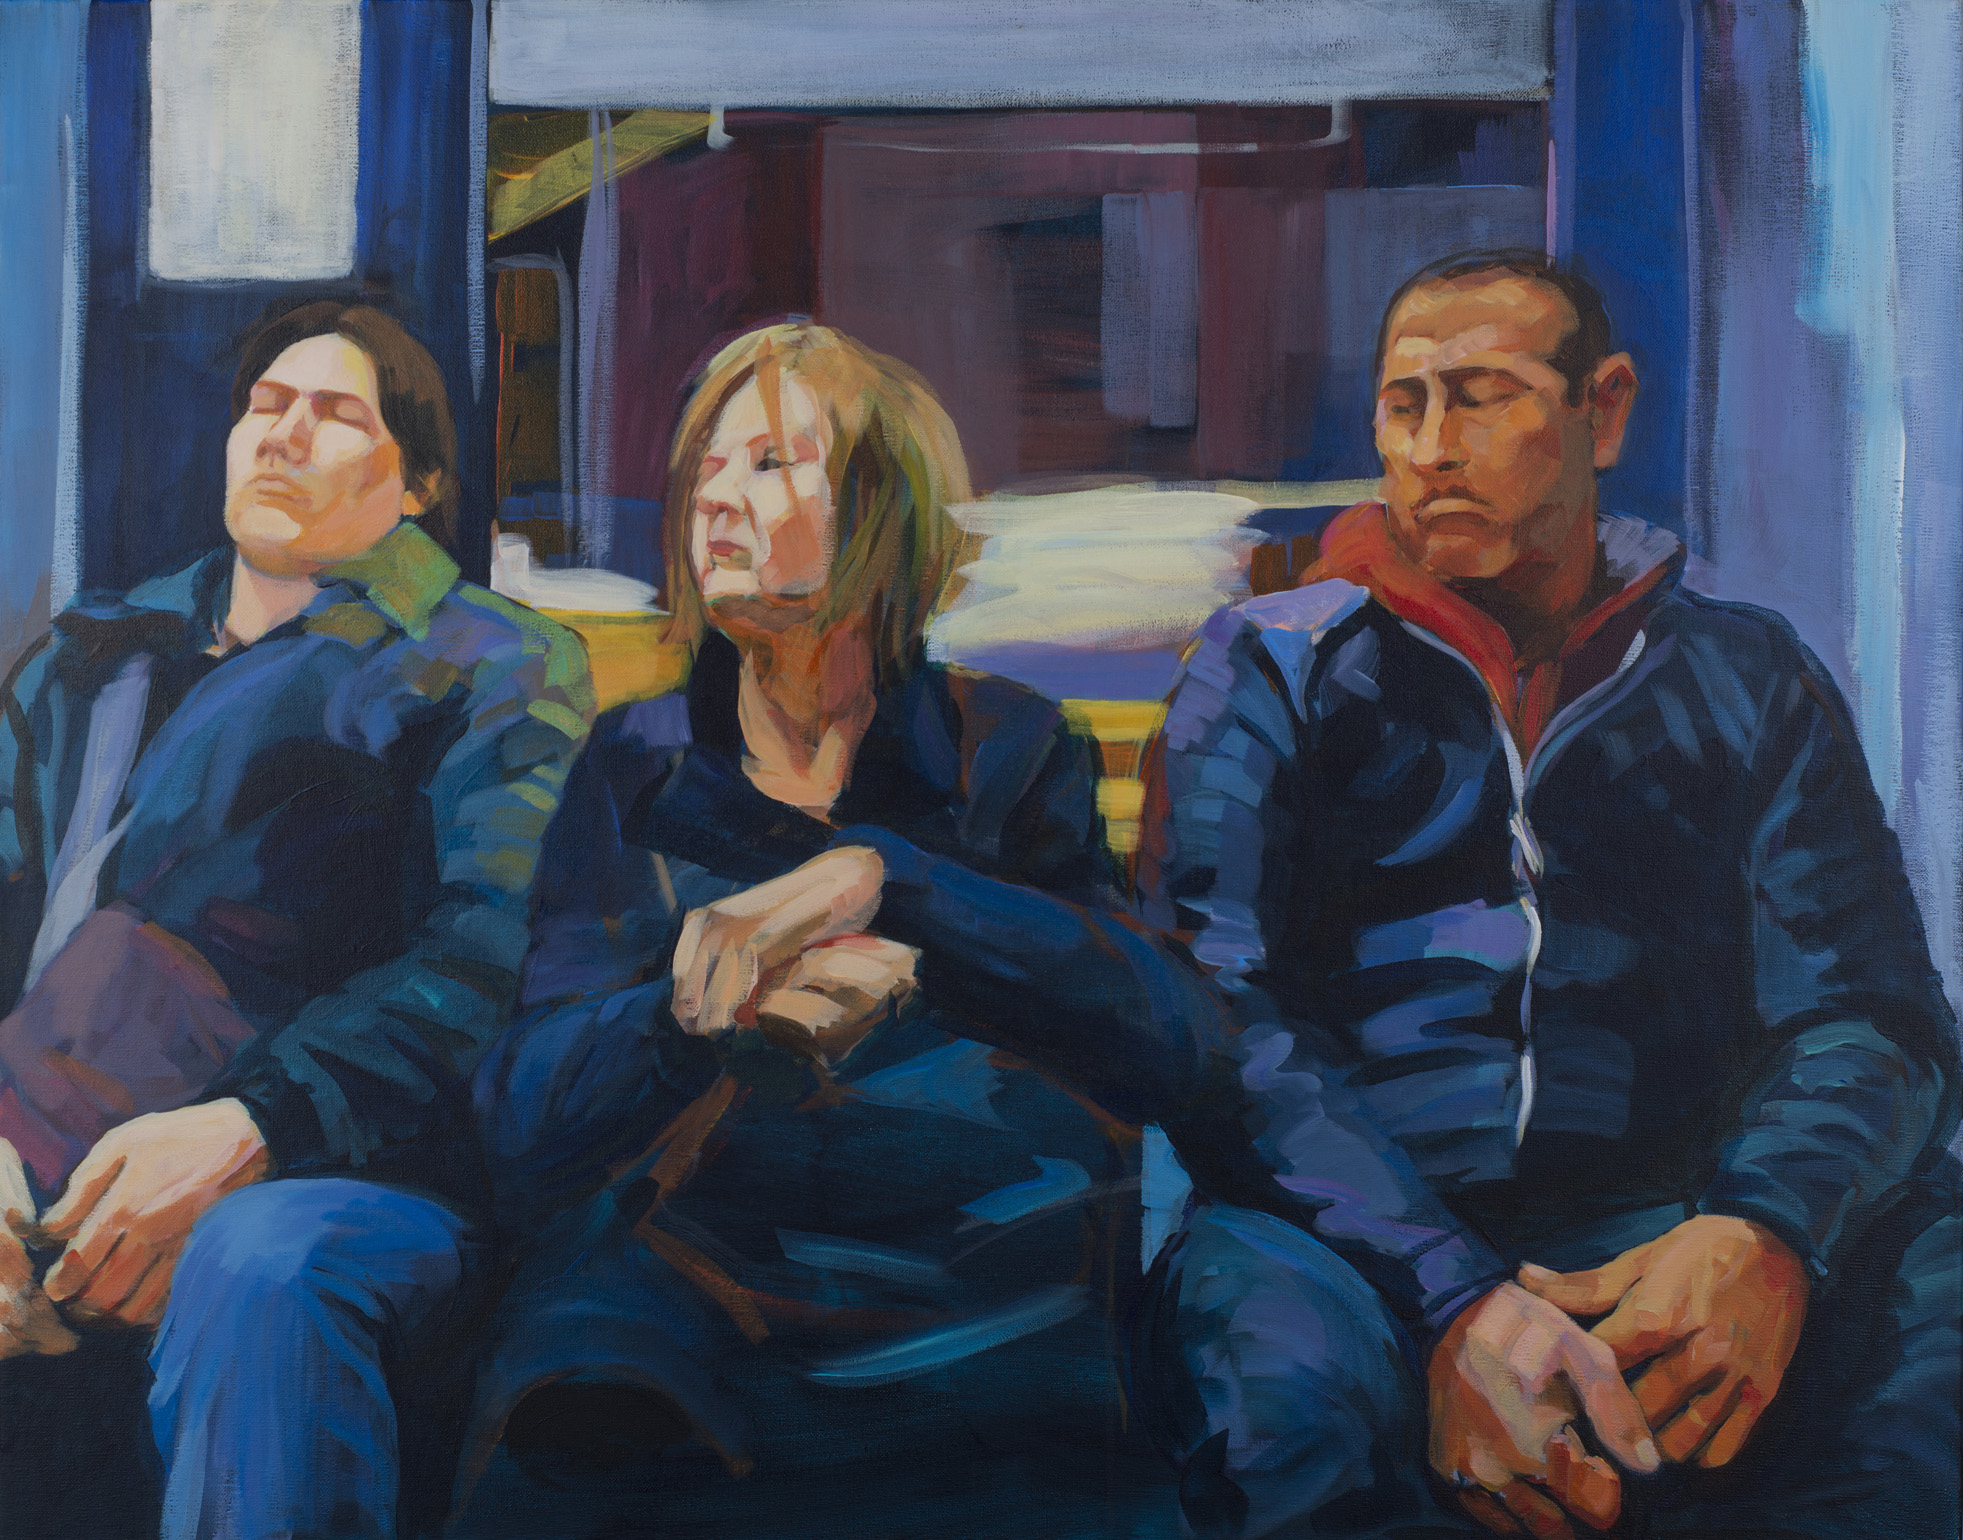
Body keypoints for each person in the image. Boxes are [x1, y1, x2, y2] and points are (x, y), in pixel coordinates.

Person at [1131, 251, 1960, 1539]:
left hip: (1676, 1219)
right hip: (1353, 1229)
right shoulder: (1269, 670)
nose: (1430, 449)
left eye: (1480, 396)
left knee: (1935, 1289)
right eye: (1403, 406)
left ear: (1602, 411)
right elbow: (1215, 1020)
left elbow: (1872, 1014)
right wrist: (1451, 1301)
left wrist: (1760, 1230)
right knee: (1265, 1353)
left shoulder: (1748, 678)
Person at [459, 322, 1236, 1535]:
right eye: (706, 470)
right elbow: (520, 1115)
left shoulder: (1007, 748)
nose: (715, 500)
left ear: (882, 509)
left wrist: (886, 883)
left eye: (770, 462)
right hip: (686, 1301)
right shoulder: (634, 768)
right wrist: (681, 1019)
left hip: (960, 1282)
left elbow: (1161, 1036)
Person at [0, 302, 593, 1538]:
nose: (283, 434)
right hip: (48, 1135)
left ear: (417, 484)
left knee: (259, 1262)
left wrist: (254, 1124)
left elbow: (472, 966)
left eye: (336, 415)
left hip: (335, 1158)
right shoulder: (86, 659)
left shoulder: (488, 662)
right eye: (265, 406)